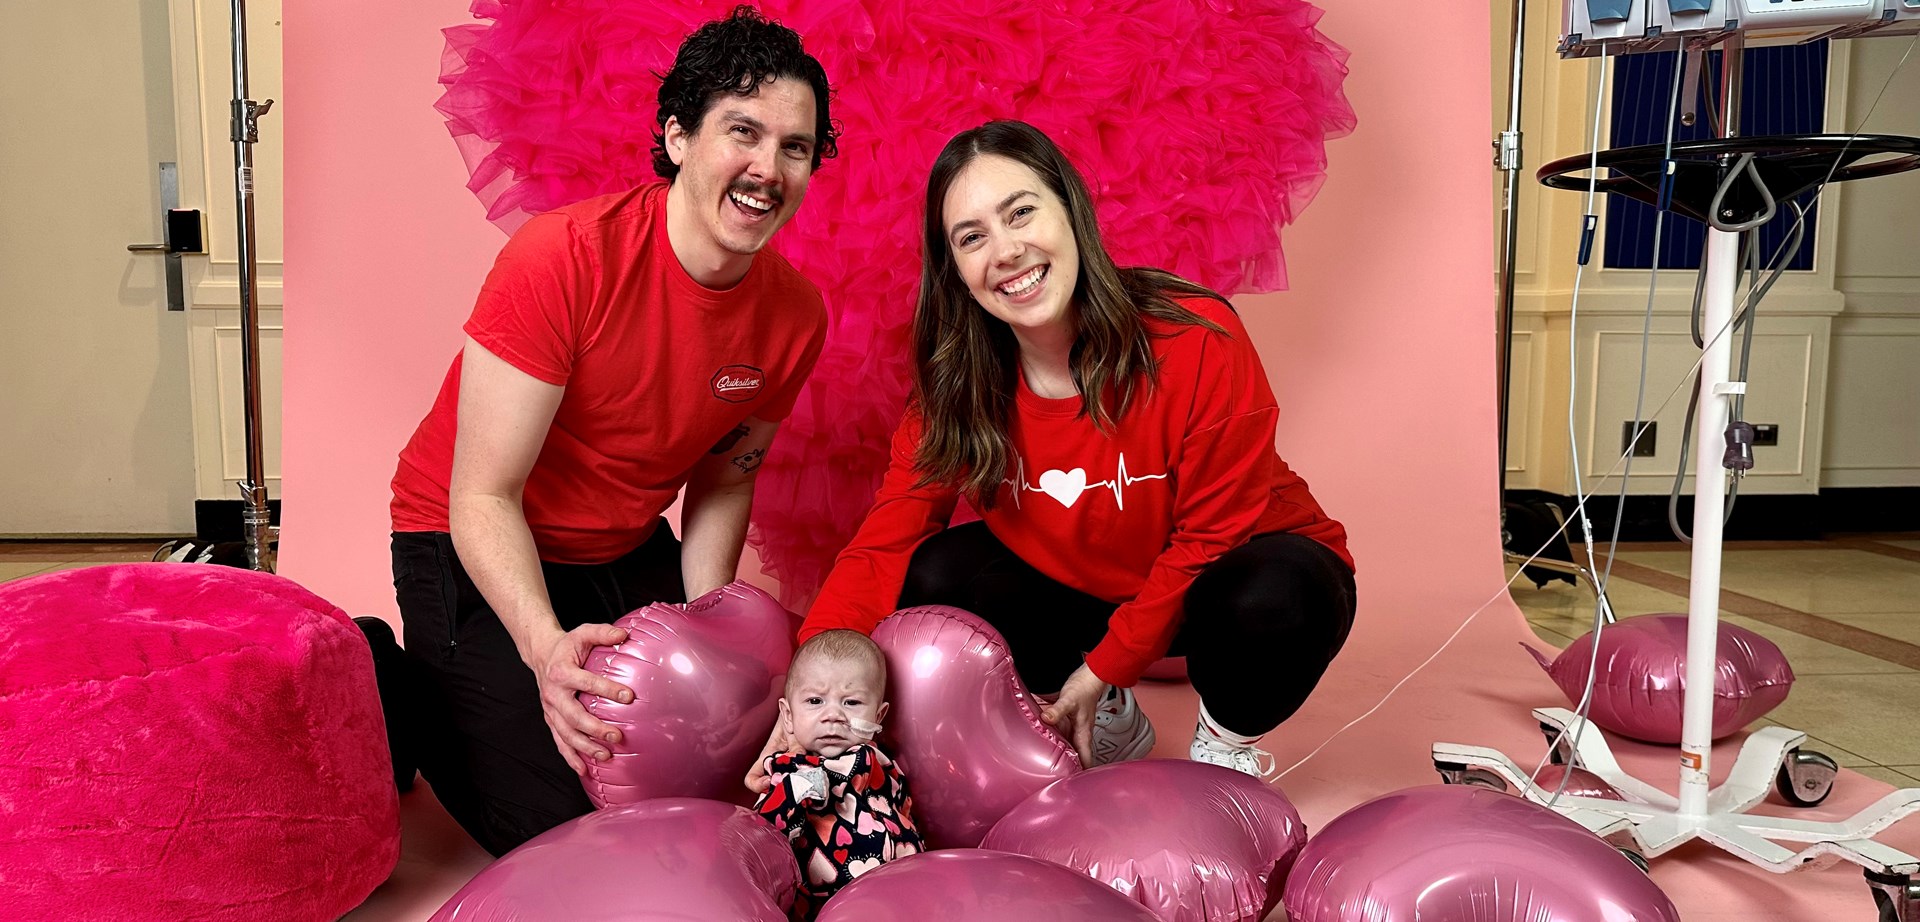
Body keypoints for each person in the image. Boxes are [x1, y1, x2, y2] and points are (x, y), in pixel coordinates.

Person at [383, 7, 834, 855]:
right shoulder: (563, 259)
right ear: (676, 138)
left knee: (715, 768)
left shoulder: (796, 317)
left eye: (795, 147)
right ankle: (400, 685)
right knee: (567, 831)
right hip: (468, 537)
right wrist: (546, 650)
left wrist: (712, 636)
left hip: (620, 543)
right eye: (743, 131)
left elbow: (725, 479)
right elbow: (482, 494)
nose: (766, 168)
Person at [792, 119, 1355, 780]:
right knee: (935, 578)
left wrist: (1102, 665)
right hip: (1093, 590)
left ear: (1071, 209)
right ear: (955, 272)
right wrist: (813, 685)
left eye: (1022, 212)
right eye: (972, 238)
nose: (1005, 251)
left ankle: (1223, 746)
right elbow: (888, 535)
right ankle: (1108, 712)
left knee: (1283, 595)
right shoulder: (958, 383)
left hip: (1226, 579)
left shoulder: (1198, 339)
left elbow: (1208, 538)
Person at [753, 630, 922, 918]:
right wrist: (797, 788)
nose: (833, 715)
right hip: (828, 903)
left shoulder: (881, 762)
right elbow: (762, 832)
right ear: (789, 716)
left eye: (851, 702)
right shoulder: (788, 769)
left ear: (878, 717)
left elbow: (904, 807)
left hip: (903, 893)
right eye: (815, 701)